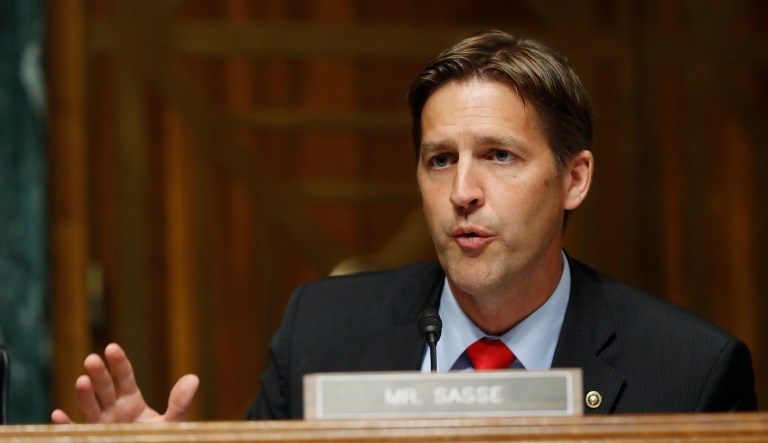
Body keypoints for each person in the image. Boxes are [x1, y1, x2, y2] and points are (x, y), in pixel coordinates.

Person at [51, 30, 757, 424]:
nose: (463, 192)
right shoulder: (324, 330)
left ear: (575, 177)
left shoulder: (689, 371)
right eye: (439, 159)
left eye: (500, 157)